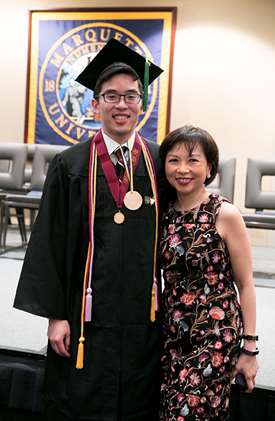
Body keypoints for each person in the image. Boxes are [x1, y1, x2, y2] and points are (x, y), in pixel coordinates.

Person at [13, 38, 163, 421]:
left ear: (141, 105)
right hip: (85, 316)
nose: (122, 105)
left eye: (131, 96)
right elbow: (49, 243)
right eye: (111, 97)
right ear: (95, 105)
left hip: (141, 317)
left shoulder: (160, 161)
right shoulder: (69, 164)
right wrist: (55, 316)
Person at [158, 125, 259, 420]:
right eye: (174, 160)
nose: (182, 169)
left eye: (193, 160)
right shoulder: (164, 212)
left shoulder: (224, 214)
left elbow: (247, 284)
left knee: (187, 413)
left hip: (214, 334)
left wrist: (250, 348)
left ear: (210, 166)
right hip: (171, 331)